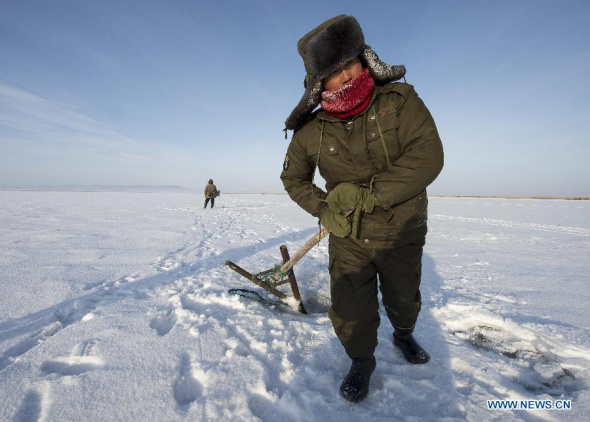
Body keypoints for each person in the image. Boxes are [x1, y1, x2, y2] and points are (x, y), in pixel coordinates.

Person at [280, 15, 444, 402]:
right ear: (319, 85)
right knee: (351, 309)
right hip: (348, 235)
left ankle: (403, 334)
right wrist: (323, 210)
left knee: (404, 299)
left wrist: (369, 196)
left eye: (349, 68)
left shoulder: (400, 102)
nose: (345, 81)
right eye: (333, 76)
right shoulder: (310, 132)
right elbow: (293, 180)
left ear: (365, 62)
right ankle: (361, 360)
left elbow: (428, 155)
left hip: (401, 227)